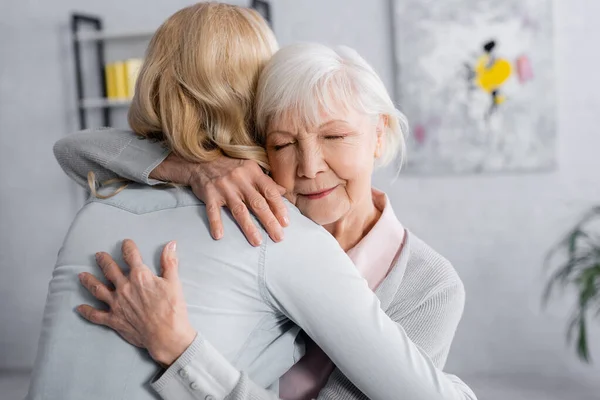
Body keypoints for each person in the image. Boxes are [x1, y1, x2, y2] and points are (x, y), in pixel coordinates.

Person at [37, 4, 477, 400]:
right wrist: (193, 166)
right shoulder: (271, 231)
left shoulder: (425, 282)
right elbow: (74, 149)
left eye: (335, 136)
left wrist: (181, 351)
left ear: (378, 134)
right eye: (283, 142)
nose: (309, 167)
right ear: (259, 125)